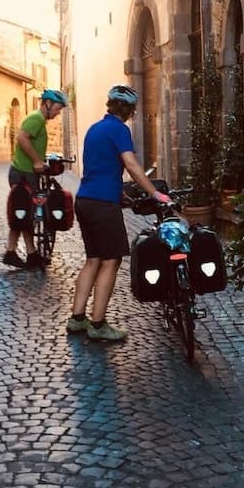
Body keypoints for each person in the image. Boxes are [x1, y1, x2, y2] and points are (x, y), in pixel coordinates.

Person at [68, 84, 170, 341]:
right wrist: (154, 193)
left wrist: (119, 193)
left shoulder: (94, 129)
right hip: (103, 204)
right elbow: (131, 165)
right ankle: (98, 324)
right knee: (111, 261)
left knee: (93, 260)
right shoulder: (119, 129)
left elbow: (100, 168)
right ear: (130, 111)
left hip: (85, 199)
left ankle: (77, 318)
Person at [3, 89, 68, 269]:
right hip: (23, 173)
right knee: (23, 213)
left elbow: (31, 142)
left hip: (26, 172)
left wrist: (41, 159)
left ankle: (24, 253)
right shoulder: (37, 118)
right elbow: (22, 138)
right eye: (58, 108)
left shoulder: (38, 119)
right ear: (47, 104)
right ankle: (16, 252)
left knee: (25, 214)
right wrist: (36, 161)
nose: (58, 112)